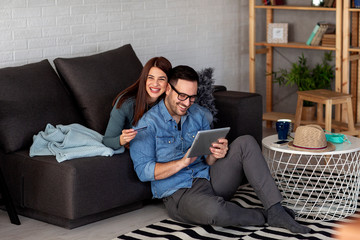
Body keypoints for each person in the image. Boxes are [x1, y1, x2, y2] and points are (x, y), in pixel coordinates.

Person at [129, 65, 311, 234]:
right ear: (168, 89)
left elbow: (208, 160)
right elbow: (144, 172)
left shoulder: (197, 114)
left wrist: (216, 154)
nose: (187, 103)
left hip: (210, 178)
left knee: (245, 142)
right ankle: (264, 215)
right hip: (179, 193)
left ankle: (275, 209)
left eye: (192, 97)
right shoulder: (147, 124)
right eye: (182, 96)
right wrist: (181, 163)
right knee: (216, 212)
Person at [102, 57, 172, 152]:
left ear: (168, 83)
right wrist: (123, 139)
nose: (155, 84)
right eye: (150, 78)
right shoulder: (126, 103)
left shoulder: (168, 100)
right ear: (144, 79)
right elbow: (107, 141)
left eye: (161, 79)